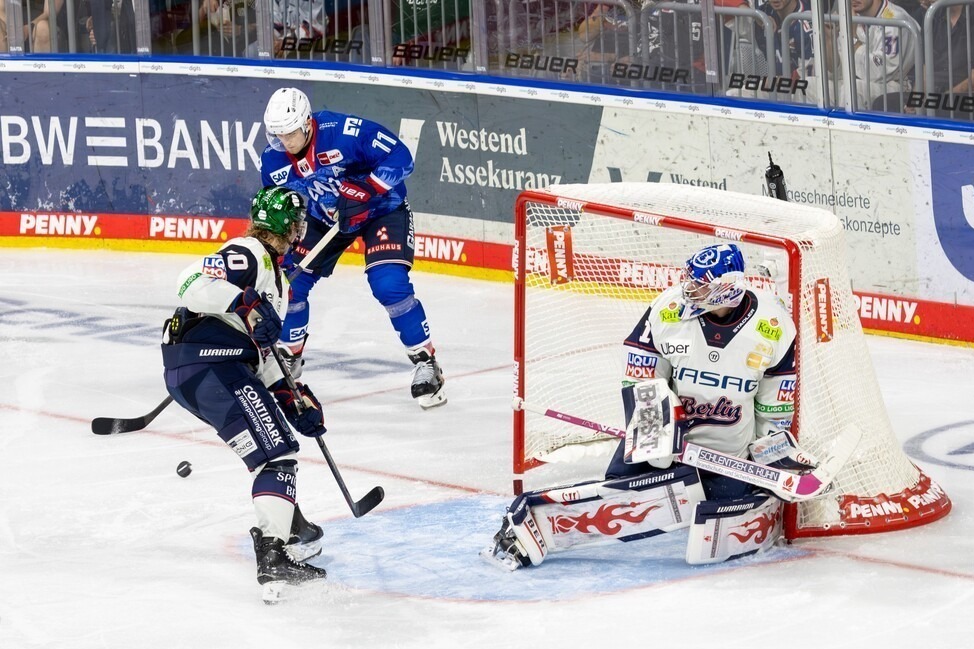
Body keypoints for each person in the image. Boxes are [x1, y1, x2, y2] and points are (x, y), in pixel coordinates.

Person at [484, 243, 806, 569]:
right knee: (615, 488)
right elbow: (640, 375)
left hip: (728, 456)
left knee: (723, 508)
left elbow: (775, 403)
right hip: (668, 439)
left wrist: (768, 455)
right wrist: (655, 433)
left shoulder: (773, 324)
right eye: (690, 280)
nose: (689, 289)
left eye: (700, 284)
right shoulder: (667, 309)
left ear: (726, 289)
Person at [161, 186, 328, 599]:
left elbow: (265, 352)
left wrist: (293, 398)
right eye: (296, 223)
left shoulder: (279, 281)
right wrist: (244, 301)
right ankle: (272, 555)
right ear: (287, 226)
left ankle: (290, 525)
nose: (300, 229)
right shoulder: (248, 251)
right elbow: (188, 283)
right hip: (210, 363)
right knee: (277, 453)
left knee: (269, 446)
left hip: (213, 369)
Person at [259, 87, 447, 410]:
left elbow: (402, 156)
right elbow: (282, 208)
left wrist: (365, 189)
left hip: (380, 208)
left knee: (388, 284)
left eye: (290, 134)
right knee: (288, 283)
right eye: (278, 135)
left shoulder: (343, 133)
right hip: (324, 217)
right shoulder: (272, 161)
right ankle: (289, 356)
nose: (285, 143)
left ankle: (426, 362)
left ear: (306, 123)